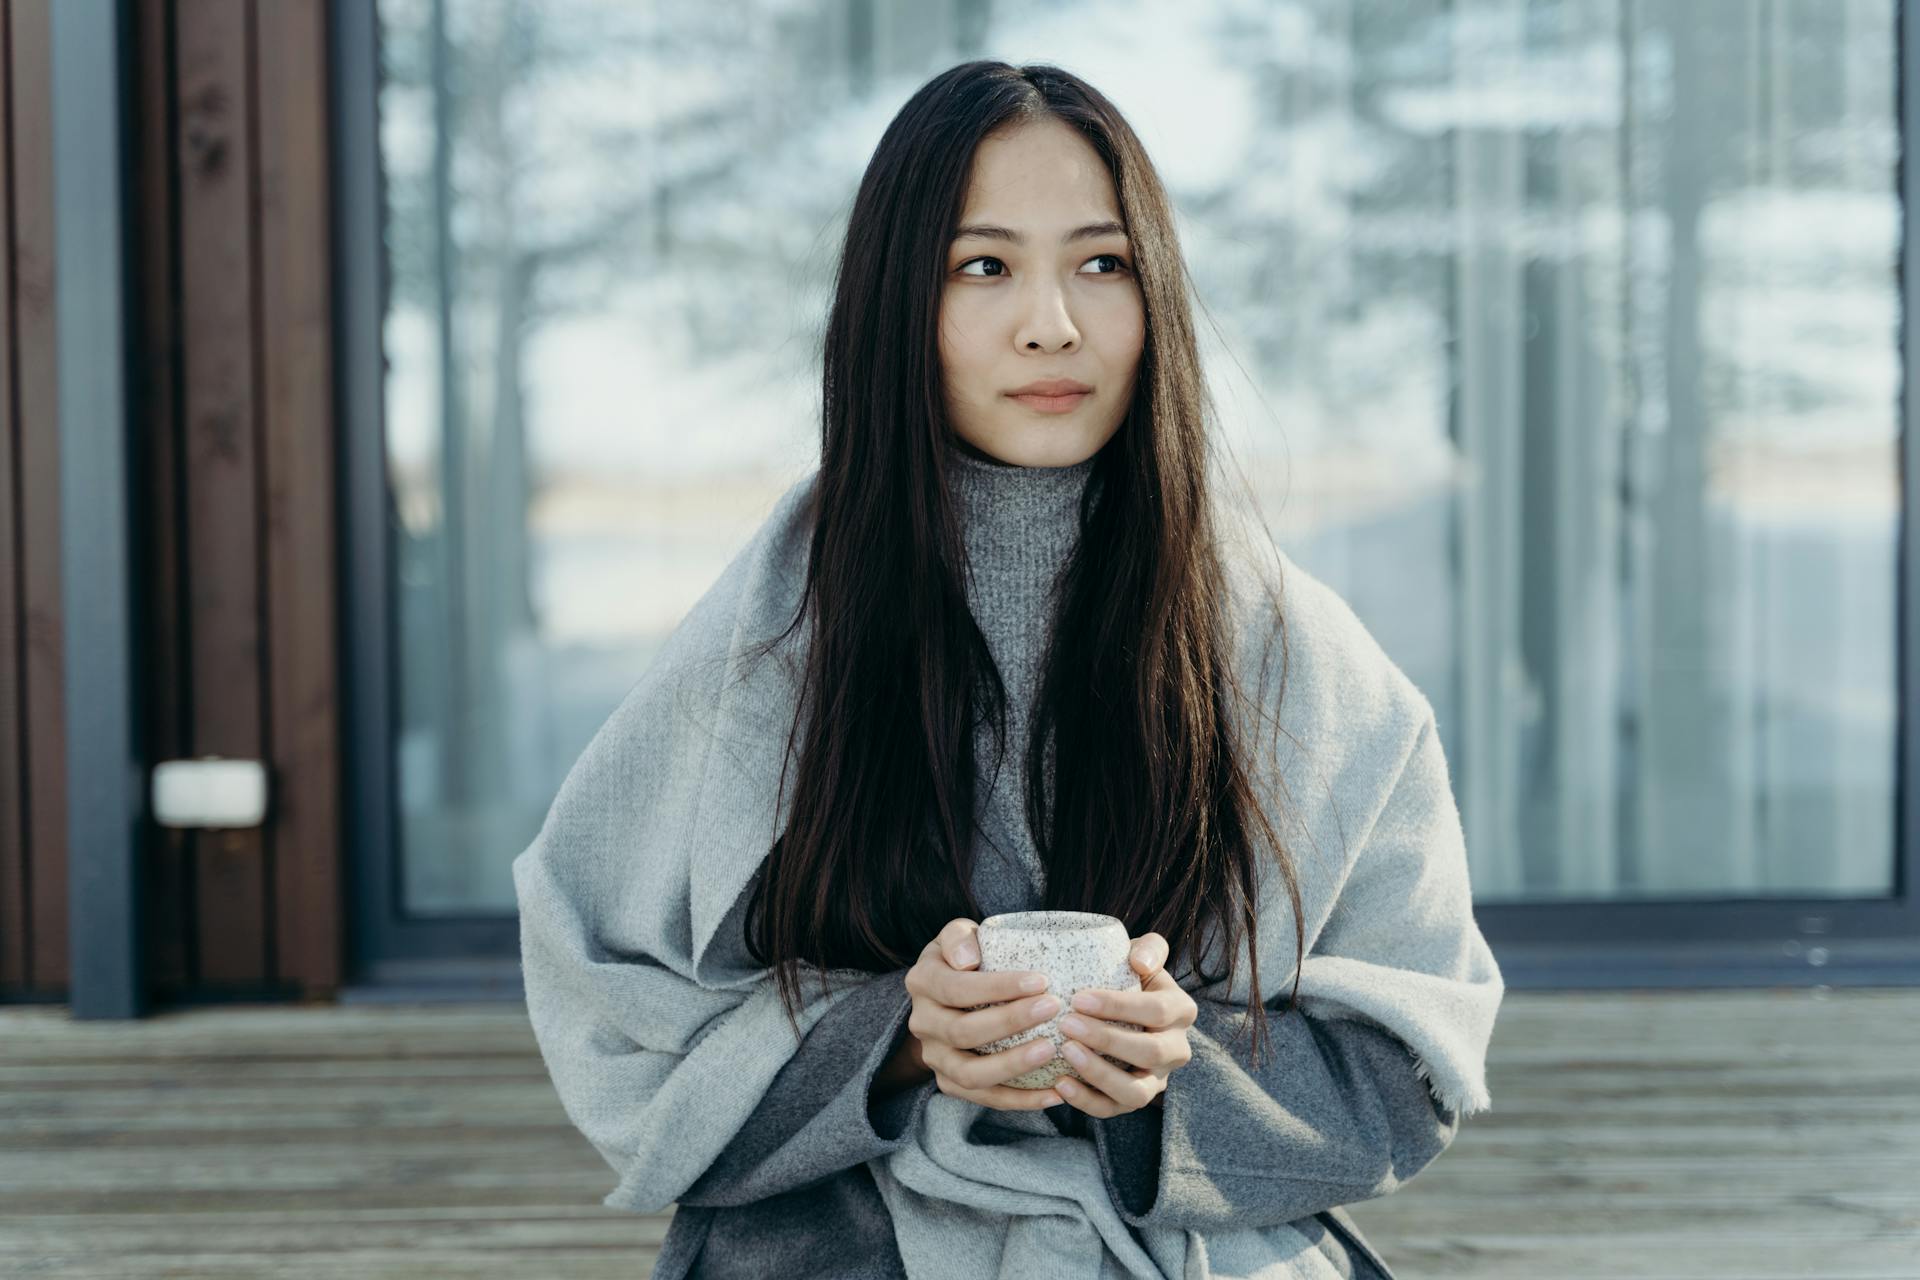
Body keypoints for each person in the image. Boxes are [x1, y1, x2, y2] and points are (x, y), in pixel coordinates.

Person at [513, 59, 1502, 1280]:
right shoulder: (776, 628)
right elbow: (609, 998)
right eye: (984, 267)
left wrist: (1165, 1072)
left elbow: (1415, 1057)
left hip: (1189, 1243)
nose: (1054, 322)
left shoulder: (1290, 653)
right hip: (834, 1236)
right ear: (898, 303)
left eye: (1103, 263)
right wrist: (898, 1038)